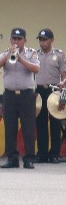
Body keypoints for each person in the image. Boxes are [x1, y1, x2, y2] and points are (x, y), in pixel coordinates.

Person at [0, 28, 39, 169]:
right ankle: (12, 158)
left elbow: (36, 69)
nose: (16, 41)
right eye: (14, 38)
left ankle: (29, 158)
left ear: (25, 40)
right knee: (10, 127)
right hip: (9, 95)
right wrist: (8, 57)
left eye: (19, 39)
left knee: (28, 127)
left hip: (27, 95)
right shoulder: (5, 53)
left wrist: (20, 59)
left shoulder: (32, 53)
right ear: (11, 40)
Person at [33, 28, 64, 164]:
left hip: (54, 90)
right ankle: (42, 153)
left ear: (51, 40)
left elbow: (64, 75)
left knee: (55, 123)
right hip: (39, 90)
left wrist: (63, 95)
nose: (42, 42)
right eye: (40, 40)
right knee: (40, 123)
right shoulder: (34, 55)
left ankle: (55, 153)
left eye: (44, 40)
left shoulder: (59, 55)